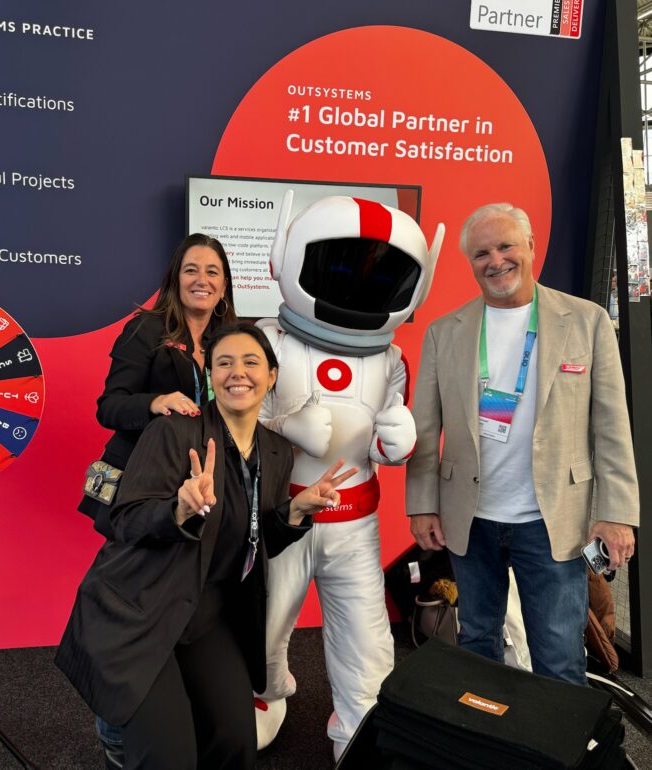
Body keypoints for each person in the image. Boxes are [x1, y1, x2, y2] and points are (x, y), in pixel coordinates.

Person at [57, 323, 357, 770]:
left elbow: (256, 538)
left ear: (271, 376)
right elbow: (125, 519)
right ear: (211, 376)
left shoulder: (275, 452)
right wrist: (177, 510)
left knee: (236, 744)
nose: (238, 372)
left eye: (251, 362)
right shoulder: (175, 433)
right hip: (141, 608)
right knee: (168, 757)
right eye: (224, 363)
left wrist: (295, 511)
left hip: (207, 614)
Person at [406, 202, 639, 686]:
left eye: (506, 245)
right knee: (477, 646)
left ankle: (560, 759)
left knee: (558, 655)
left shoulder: (587, 321)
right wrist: (421, 505)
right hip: (470, 517)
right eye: (481, 253)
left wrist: (617, 514)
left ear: (530, 247)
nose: (496, 260)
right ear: (470, 262)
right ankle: (489, 744)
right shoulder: (442, 333)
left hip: (551, 520)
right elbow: (425, 431)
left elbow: (612, 428)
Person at [254, 192, 443, 760]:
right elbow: (234, 412)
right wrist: (283, 425)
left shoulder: (391, 360)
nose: (358, 284)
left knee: (365, 643)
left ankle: (360, 734)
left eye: (380, 275)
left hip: (356, 522)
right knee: (261, 626)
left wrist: (396, 442)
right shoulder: (268, 340)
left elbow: (386, 443)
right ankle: (267, 694)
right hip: (282, 516)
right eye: (340, 264)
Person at [77, 232, 237, 765]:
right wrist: (156, 402)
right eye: (192, 270)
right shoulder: (145, 329)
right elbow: (108, 406)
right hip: (140, 487)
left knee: (182, 600)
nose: (202, 281)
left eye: (213, 272)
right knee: (131, 609)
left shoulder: (227, 337)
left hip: (199, 488)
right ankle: (116, 732)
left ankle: (169, 709)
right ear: (175, 277)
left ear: (224, 285)